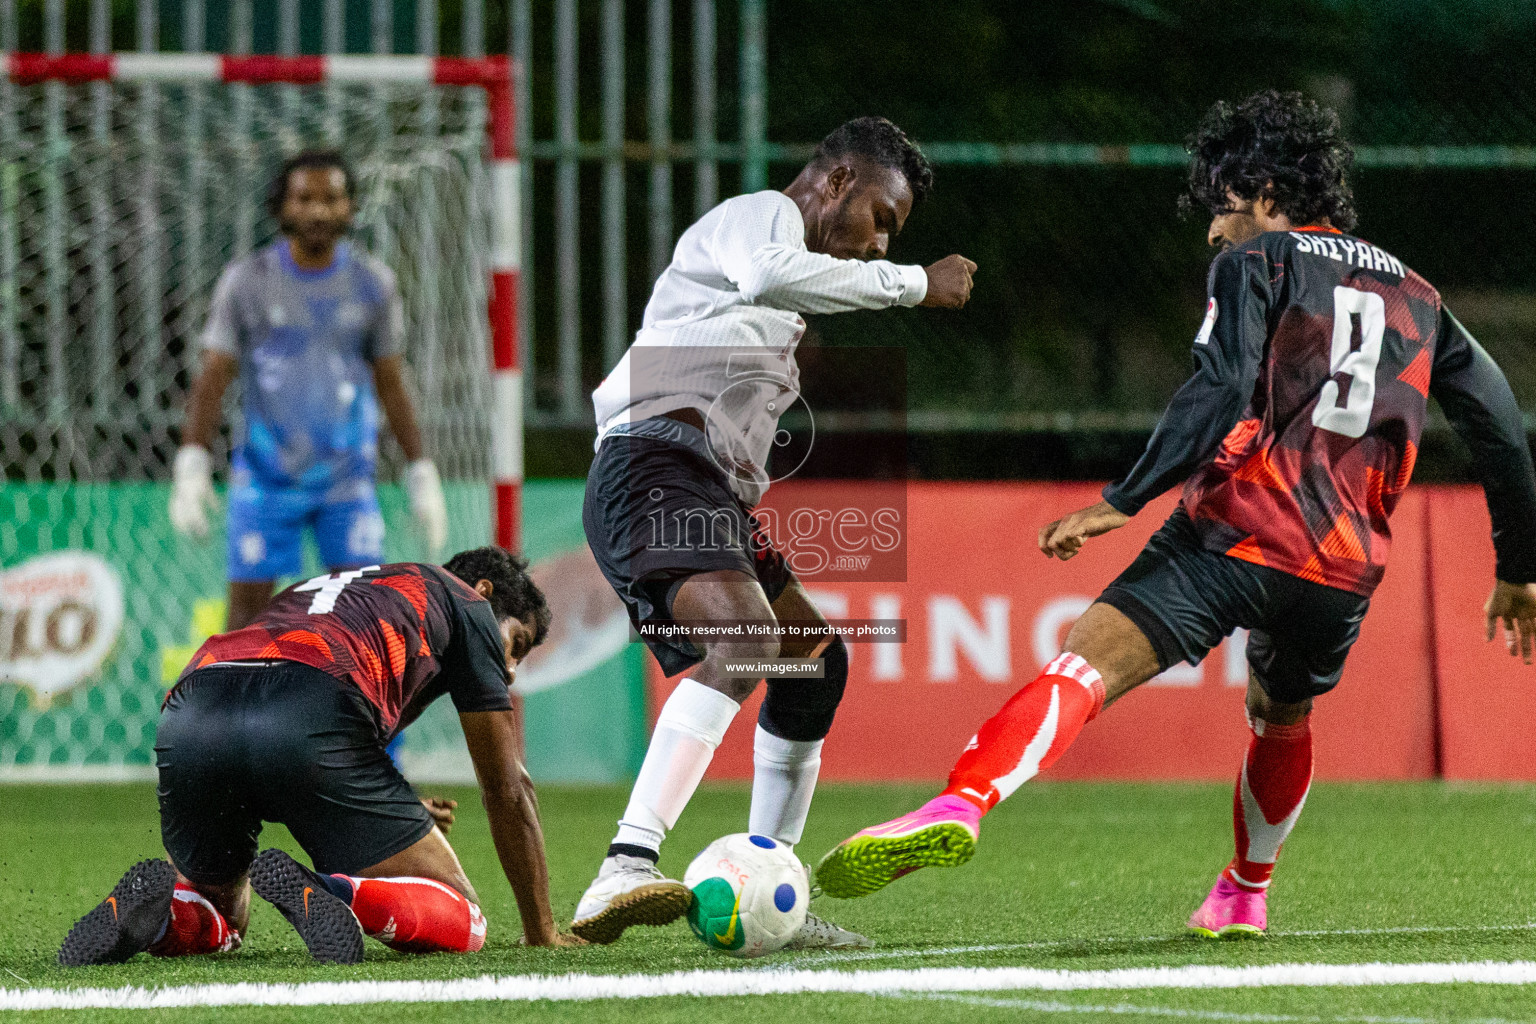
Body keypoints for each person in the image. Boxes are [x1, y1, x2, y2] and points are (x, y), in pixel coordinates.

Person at [815, 91, 1536, 939]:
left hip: (1234, 530)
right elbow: (1501, 430)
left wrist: (1123, 497)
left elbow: (1219, 387)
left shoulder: (1258, 265)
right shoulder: (1422, 297)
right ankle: (1244, 892)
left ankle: (960, 803)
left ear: (1268, 191)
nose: (1213, 231)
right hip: (1341, 571)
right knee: (1282, 715)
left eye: (1223, 206)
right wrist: (1518, 568)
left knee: (1086, 665)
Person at [573, 115, 978, 946]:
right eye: (882, 219)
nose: (877, 246)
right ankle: (624, 864)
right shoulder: (755, 214)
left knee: (811, 666)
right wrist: (915, 283)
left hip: (701, 486)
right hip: (651, 462)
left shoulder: (788, 296)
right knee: (749, 642)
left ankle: (771, 881)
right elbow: (765, 272)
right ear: (835, 182)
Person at [58, 548, 578, 965]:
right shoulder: (466, 603)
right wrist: (542, 932)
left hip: (195, 710)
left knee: (222, 917)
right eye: (517, 643)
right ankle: (335, 893)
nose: (510, 670)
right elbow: (507, 788)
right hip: (308, 708)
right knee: (464, 915)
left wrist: (393, 809)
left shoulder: (337, 589)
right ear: (484, 592)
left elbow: (339, 737)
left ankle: (163, 915)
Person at [169, 149, 449, 632]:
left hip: (346, 478)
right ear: (281, 207)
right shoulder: (247, 282)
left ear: (351, 208)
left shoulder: (372, 284)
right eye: (305, 198)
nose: (319, 210)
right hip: (264, 476)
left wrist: (421, 470)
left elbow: (391, 383)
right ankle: (241, 708)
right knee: (247, 621)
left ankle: (355, 710)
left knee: (361, 616)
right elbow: (213, 377)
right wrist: (191, 463)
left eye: (332, 198)